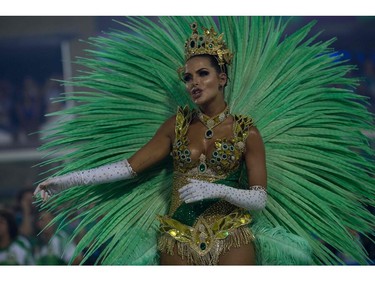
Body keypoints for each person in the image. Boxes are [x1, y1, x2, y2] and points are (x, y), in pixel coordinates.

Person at [34, 17, 375, 265]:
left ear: (221, 78)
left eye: (202, 74)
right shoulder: (176, 126)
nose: (193, 82)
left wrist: (217, 190)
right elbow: (128, 168)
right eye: (187, 77)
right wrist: (66, 180)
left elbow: (258, 199)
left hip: (232, 235)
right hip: (177, 237)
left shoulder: (247, 132)